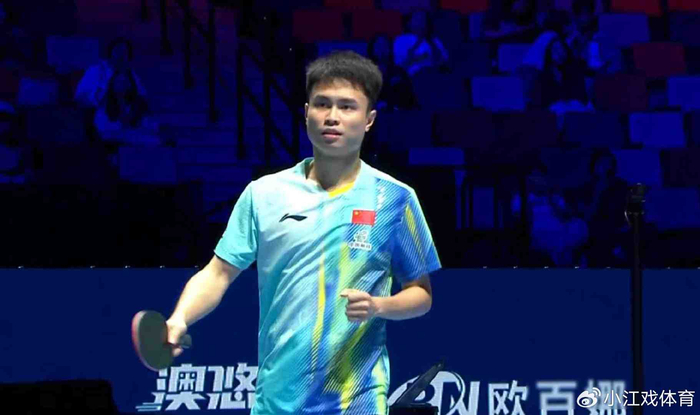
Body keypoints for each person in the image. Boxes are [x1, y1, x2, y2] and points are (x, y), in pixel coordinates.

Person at [163, 51, 441, 414]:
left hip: (356, 400)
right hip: (279, 399)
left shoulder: (395, 199)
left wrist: (378, 306)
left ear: (369, 120)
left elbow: (421, 293)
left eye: (347, 107)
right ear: (307, 112)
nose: (332, 116)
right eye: (322, 104)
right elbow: (218, 273)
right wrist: (180, 318)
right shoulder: (264, 194)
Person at [74, 37, 146, 109]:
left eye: (125, 52)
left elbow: (142, 95)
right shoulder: (96, 71)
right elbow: (80, 95)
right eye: (117, 51)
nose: (121, 55)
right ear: (111, 52)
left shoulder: (131, 74)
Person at [393, 11, 449, 76]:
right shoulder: (401, 40)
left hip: (436, 74)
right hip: (413, 76)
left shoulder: (434, 39)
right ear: (409, 23)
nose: (421, 22)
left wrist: (432, 46)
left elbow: (444, 59)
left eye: (423, 19)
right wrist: (417, 58)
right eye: (417, 19)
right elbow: (400, 67)